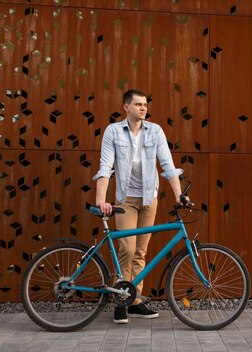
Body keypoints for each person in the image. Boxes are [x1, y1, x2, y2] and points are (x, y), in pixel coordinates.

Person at [93, 89, 188, 324]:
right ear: (126, 107)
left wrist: (179, 195)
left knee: (141, 251)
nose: (143, 108)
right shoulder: (113, 131)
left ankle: (133, 301)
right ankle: (120, 300)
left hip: (148, 199)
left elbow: (168, 164)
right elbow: (106, 167)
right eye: (138, 104)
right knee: (126, 248)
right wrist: (101, 199)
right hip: (125, 200)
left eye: (145, 104)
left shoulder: (155, 131)